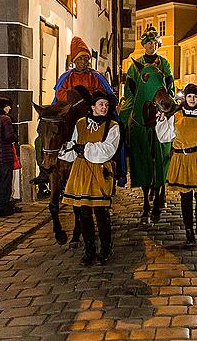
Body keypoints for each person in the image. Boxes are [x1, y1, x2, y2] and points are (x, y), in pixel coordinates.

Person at [32, 35, 126, 191]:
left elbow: (104, 94)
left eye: (86, 59)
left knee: (118, 128)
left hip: (91, 114)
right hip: (68, 115)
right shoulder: (66, 77)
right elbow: (59, 95)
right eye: (80, 59)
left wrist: (90, 99)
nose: (83, 62)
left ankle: (116, 168)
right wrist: (71, 98)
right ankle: (45, 171)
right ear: (74, 61)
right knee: (41, 139)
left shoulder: (96, 77)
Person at [119, 24, 175, 221]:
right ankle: (120, 160)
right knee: (121, 123)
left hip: (160, 102)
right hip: (139, 101)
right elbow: (130, 87)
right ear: (144, 45)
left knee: (171, 126)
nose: (152, 46)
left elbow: (169, 84)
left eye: (155, 43)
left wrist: (166, 107)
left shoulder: (164, 63)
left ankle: (168, 161)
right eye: (149, 43)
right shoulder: (136, 64)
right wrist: (131, 105)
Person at [155, 84, 197, 245]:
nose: (192, 99)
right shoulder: (177, 116)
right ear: (185, 98)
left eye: (195, 96)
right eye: (189, 96)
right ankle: (188, 230)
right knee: (185, 197)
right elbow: (164, 137)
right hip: (182, 159)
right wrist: (161, 122)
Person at [59, 91, 120, 265]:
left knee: (101, 212)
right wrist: (67, 149)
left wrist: (84, 149)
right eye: (101, 104)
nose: (104, 107)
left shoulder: (112, 126)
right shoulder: (80, 123)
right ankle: (89, 250)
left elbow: (108, 149)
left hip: (100, 170)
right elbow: (73, 142)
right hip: (81, 170)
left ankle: (106, 248)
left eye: (106, 105)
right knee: (83, 212)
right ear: (93, 107)